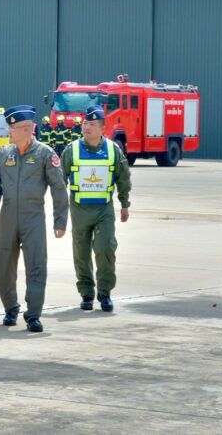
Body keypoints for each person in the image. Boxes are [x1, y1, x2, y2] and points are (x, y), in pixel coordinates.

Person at [0, 105, 69, 332]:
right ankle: (10, 308)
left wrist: (60, 220)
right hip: (8, 218)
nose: (9, 132)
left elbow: (58, 188)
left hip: (34, 218)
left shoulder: (44, 154)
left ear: (26, 129)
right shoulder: (4, 154)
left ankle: (33, 316)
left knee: (36, 266)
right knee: (4, 266)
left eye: (12, 128)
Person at [60, 105, 132, 312]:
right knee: (81, 253)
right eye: (85, 123)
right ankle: (87, 293)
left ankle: (105, 292)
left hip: (104, 210)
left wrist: (124, 204)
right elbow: (59, 180)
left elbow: (123, 177)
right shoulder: (71, 150)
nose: (86, 127)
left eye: (91, 124)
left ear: (102, 128)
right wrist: (59, 210)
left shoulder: (113, 149)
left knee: (105, 248)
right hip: (79, 210)